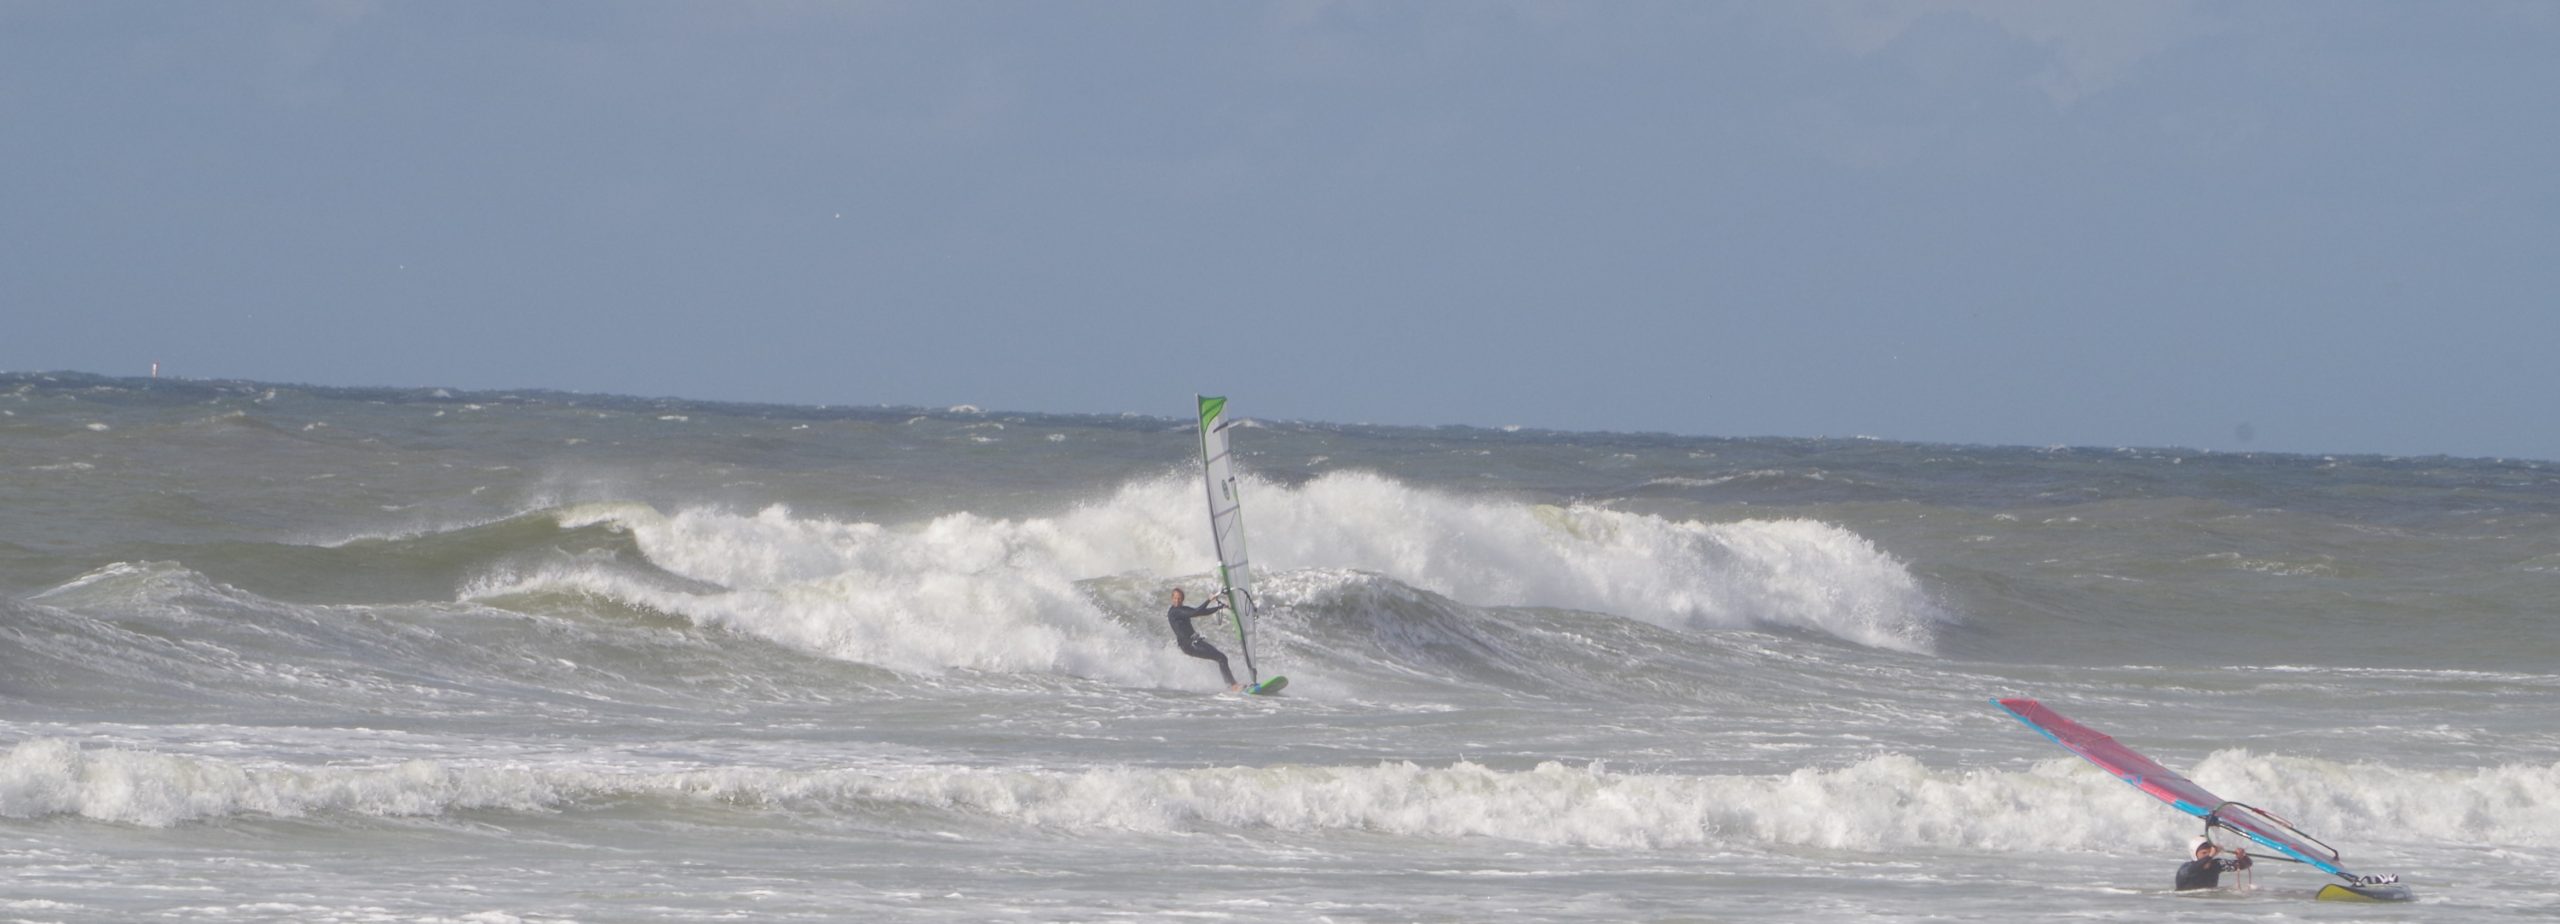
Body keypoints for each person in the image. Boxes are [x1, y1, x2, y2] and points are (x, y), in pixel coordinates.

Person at [1165, 588, 1240, 692]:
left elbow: (1201, 612)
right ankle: (1233, 686)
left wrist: (1219, 607)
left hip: (1194, 642)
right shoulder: (1174, 612)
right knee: (1221, 658)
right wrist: (1209, 600)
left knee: (1222, 658)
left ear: (1182, 599)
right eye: (1175, 598)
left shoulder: (1182, 609)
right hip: (1189, 645)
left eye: (1179, 598)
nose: (1177, 600)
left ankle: (1231, 685)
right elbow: (1196, 611)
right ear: (1171, 598)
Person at [2174, 836, 2252, 891]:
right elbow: (2195, 868)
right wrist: (2211, 855)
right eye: (2204, 853)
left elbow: (2246, 864)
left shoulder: (2216, 865)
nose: (2208, 855)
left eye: (2210, 852)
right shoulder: (2186, 869)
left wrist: (2242, 857)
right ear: (2194, 854)